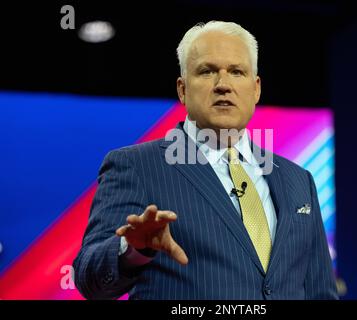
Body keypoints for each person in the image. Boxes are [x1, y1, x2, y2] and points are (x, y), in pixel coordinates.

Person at [73, 21, 338, 300]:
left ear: (256, 88)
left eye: (237, 72)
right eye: (207, 71)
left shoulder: (298, 180)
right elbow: (89, 279)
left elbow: (321, 293)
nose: (223, 85)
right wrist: (132, 249)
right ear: (183, 89)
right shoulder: (136, 166)